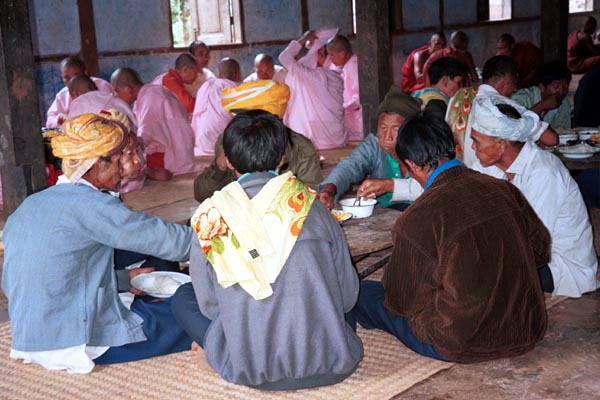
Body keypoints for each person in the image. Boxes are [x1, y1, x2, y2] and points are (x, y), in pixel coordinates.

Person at [171, 110, 362, 390]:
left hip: (249, 367)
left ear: (229, 160)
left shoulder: (210, 216)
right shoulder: (313, 207)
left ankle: (219, 352)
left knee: (182, 297)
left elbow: (210, 307)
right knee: (335, 299)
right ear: (282, 156)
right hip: (331, 362)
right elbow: (347, 297)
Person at [350, 111, 551, 363]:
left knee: (362, 292)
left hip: (460, 341)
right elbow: (540, 252)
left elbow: (401, 302)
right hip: (526, 329)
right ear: (453, 147)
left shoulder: (417, 217)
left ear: (411, 165)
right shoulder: (504, 190)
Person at [2, 112, 194, 374]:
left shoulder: (31, 204)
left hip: (30, 334)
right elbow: (171, 242)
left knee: (162, 268)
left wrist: (125, 281)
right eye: (116, 161)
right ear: (94, 165)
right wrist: (218, 237)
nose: (122, 169)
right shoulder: (92, 205)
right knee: (199, 314)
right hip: (79, 339)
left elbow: (56, 275)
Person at [469, 96, 599, 298]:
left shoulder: (544, 172)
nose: (472, 148)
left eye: (476, 141)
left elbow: (531, 246)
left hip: (561, 267)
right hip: (522, 254)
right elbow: (463, 194)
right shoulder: (490, 166)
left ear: (501, 144)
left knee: (484, 283)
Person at [193, 80, 323, 202]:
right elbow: (202, 195)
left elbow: (309, 199)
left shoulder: (300, 148)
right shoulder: (229, 141)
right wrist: (218, 168)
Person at [318, 86, 423, 210]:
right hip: (385, 211)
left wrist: (388, 185)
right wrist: (330, 188)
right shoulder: (374, 145)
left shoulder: (426, 148)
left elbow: (433, 187)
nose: (387, 137)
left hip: (420, 211)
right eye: (383, 128)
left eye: (396, 129)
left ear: (410, 129)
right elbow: (351, 166)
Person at [446, 55, 557, 166]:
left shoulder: (458, 97)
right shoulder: (500, 104)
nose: (515, 89)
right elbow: (551, 139)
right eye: (515, 82)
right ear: (507, 81)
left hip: (458, 174)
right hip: (488, 177)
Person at [111, 67, 197, 177]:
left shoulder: (150, 96)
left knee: (128, 163)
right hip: (180, 147)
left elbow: (146, 133)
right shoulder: (150, 92)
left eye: (117, 92)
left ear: (129, 89)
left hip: (173, 152)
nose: (116, 97)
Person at [280, 29, 348, 150]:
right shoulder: (336, 77)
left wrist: (303, 39)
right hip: (336, 139)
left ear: (321, 51)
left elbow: (284, 57)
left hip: (314, 142)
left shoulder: (308, 76)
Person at [191, 57, 242, 156]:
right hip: (225, 143)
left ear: (219, 74)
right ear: (237, 74)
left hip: (203, 143)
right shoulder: (236, 88)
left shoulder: (205, 86)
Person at [45, 56, 114, 128]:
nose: (72, 81)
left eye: (76, 76)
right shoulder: (62, 96)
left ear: (85, 73)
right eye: (66, 78)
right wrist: (60, 118)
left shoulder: (103, 87)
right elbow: (49, 121)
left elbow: (112, 114)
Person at [512, 60, 572, 130]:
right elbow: (514, 126)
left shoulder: (564, 103)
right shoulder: (522, 98)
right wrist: (541, 106)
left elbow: (564, 131)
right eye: (556, 87)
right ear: (542, 87)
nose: (561, 92)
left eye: (565, 87)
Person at [326, 34, 363, 140]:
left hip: (357, 121)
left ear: (342, 54)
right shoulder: (345, 66)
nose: (330, 58)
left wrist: (340, 108)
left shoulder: (354, 66)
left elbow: (358, 99)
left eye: (332, 55)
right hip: (350, 120)